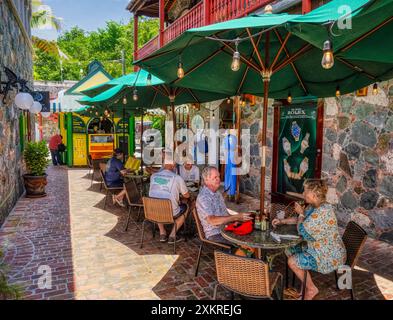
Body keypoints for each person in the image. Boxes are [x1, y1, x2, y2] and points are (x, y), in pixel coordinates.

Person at [272, 179, 347, 300]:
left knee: (292, 261)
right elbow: (301, 220)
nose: (303, 193)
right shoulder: (315, 206)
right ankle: (305, 281)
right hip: (319, 248)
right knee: (290, 249)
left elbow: (302, 229)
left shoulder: (322, 212)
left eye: (305, 191)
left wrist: (301, 213)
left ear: (313, 194)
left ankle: (311, 288)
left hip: (328, 255)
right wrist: (282, 221)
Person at [196, 166, 253, 246]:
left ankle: (248, 256)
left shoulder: (217, 193)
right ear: (206, 180)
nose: (218, 179)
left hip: (226, 227)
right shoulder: (203, 197)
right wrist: (234, 218)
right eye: (215, 177)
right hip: (215, 233)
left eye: (218, 176)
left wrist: (236, 220)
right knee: (243, 243)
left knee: (249, 234)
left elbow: (224, 214)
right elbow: (212, 220)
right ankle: (240, 257)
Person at [149, 154, 190, 244]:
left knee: (158, 202)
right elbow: (187, 196)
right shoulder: (177, 178)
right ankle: (172, 235)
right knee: (186, 207)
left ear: (163, 165)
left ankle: (162, 232)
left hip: (152, 211)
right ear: (173, 165)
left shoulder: (153, 176)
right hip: (170, 212)